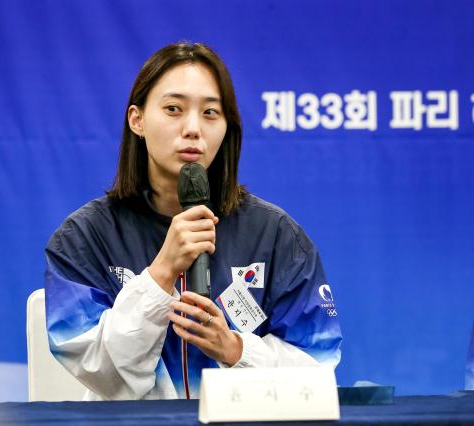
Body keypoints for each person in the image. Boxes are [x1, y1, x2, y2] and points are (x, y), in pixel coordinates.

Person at [44, 42, 342, 400]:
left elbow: (318, 369)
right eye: (173, 109)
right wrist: (161, 274)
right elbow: (100, 373)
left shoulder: (276, 236)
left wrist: (235, 350)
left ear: (227, 127)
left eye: (210, 113)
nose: (192, 129)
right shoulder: (85, 237)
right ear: (136, 120)